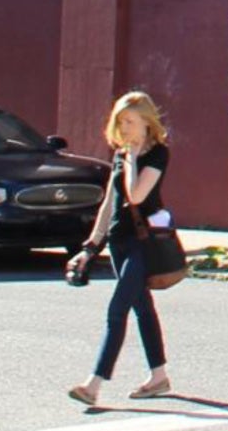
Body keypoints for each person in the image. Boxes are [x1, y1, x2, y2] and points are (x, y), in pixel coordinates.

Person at [64, 91, 174, 407]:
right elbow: (110, 204)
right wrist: (90, 247)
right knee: (142, 308)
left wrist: (133, 160)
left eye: (130, 121)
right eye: (120, 121)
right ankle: (159, 377)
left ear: (146, 122)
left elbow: (136, 195)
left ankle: (93, 384)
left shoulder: (157, 154)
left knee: (117, 310)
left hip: (144, 243)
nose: (123, 127)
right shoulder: (121, 154)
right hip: (119, 242)